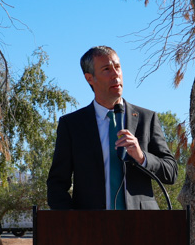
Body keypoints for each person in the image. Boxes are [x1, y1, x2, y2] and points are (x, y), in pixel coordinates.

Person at [47, 46, 178, 210]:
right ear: (90, 78)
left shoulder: (147, 119)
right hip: (92, 227)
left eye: (117, 67)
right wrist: (74, 223)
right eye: (107, 69)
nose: (116, 74)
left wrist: (141, 157)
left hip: (142, 226)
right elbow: (56, 184)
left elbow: (171, 172)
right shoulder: (72, 125)